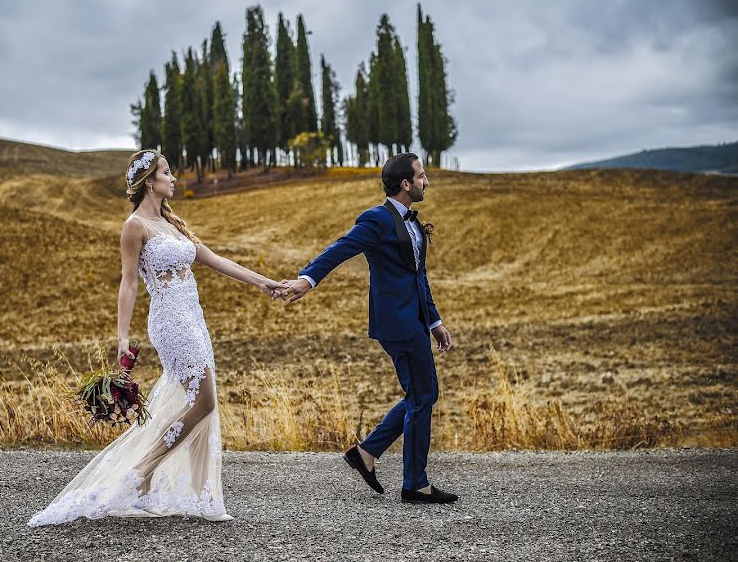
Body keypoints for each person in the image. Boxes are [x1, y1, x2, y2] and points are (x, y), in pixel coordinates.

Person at [29, 149, 285, 525]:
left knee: (202, 402)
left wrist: (264, 282)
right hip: (170, 322)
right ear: (150, 181)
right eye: (167, 173)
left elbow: (216, 260)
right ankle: (140, 475)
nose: (173, 178)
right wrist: (121, 335)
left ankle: (202, 498)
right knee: (206, 401)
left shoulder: (172, 223)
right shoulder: (135, 227)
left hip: (194, 319)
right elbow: (129, 283)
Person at [279, 152, 459, 505]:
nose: (427, 182)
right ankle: (414, 483)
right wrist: (307, 279)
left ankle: (367, 454)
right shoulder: (377, 219)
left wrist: (435, 322)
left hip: (414, 319)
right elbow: (341, 249)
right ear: (406, 184)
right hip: (396, 321)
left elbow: (418, 276)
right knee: (424, 394)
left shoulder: (411, 224)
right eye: (421, 176)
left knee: (421, 394)